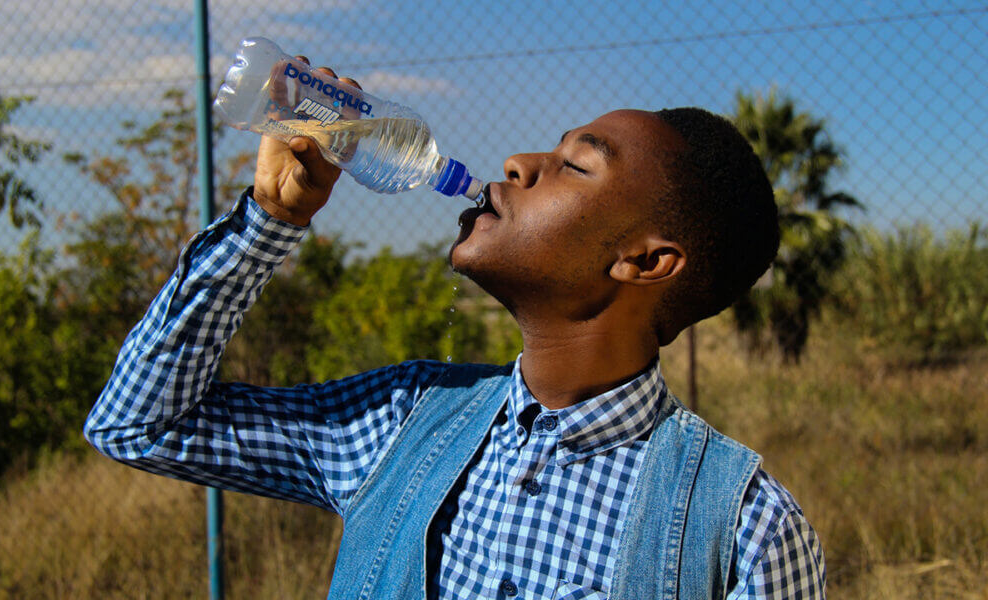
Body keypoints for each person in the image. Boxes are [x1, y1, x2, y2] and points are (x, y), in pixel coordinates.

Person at [85, 60, 825, 599]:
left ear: (647, 260)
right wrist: (270, 221)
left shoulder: (745, 530)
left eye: (573, 166)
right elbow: (139, 425)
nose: (518, 162)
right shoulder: (402, 421)